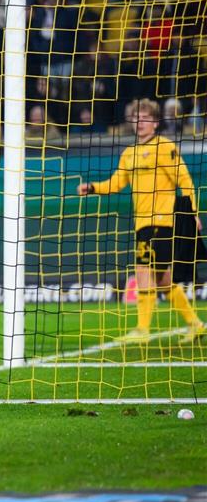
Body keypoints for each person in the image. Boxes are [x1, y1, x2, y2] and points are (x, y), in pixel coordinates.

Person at [77, 98, 205, 343]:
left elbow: (185, 181)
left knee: (143, 270)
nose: (140, 122)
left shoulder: (165, 147)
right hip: (142, 223)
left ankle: (142, 330)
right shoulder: (129, 154)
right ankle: (195, 324)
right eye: (136, 118)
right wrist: (92, 187)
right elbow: (117, 183)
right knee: (163, 280)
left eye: (146, 118)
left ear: (156, 123)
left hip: (162, 221)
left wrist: (192, 213)